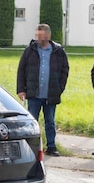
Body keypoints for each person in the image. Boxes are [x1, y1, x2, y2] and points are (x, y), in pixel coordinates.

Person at [17, 23, 70, 156]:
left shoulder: (58, 51)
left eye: (40, 36)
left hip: (50, 94)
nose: (38, 39)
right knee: (31, 121)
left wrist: (59, 88)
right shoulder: (30, 51)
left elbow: (65, 70)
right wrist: (21, 89)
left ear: (48, 36)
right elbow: (21, 70)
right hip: (34, 93)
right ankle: (30, 148)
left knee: (50, 121)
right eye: (37, 36)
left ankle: (51, 146)